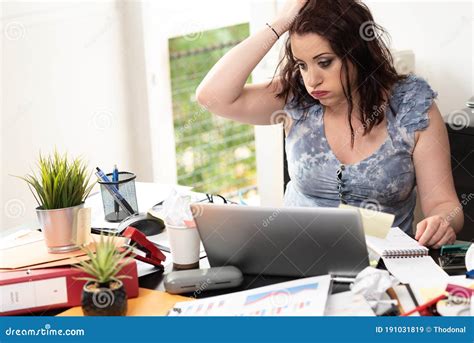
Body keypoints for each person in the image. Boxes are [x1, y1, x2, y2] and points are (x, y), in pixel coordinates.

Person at [195, 0, 463, 248]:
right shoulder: (295, 96)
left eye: (324, 63)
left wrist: (442, 222)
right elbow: (212, 97)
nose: (312, 80)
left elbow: (444, 204)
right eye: (302, 65)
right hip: (294, 257)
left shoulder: (411, 104)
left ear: (358, 53)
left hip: (382, 271)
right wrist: (281, 22)